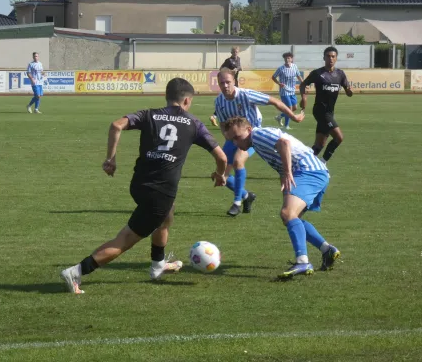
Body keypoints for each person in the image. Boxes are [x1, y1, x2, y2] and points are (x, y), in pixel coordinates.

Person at [60, 78, 227, 294]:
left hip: (139, 184)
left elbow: (116, 125)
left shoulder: (149, 114)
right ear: (187, 100)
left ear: (167, 97)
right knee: (127, 238)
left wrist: (111, 159)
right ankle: (77, 272)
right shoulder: (194, 123)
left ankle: (158, 266)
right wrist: (220, 174)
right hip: (161, 191)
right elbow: (222, 158)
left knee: (167, 215)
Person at [222, 117, 341, 279]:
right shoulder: (255, 141)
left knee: (288, 214)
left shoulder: (258, 135)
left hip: (308, 171)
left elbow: (284, 144)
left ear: (248, 130)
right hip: (311, 171)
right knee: (293, 218)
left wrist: (287, 172)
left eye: (237, 137)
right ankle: (327, 250)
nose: (235, 142)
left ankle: (303, 261)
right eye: (231, 139)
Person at [214, 68, 305, 217]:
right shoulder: (219, 101)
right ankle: (246, 196)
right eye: (221, 83)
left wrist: (293, 117)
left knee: (238, 161)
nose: (225, 86)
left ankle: (237, 203)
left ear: (234, 82)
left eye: (228, 82)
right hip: (233, 139)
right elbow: (223, 124)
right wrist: (227, 137)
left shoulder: (246, 95)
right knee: (220, 175)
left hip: (252, 137)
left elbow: (275, 102)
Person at [299, 46, 353, 162]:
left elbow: (348, 92)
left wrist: (349, 91)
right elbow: (303, 85)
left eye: (333, 56)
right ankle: (322, 164)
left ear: (336, 58)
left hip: (330, 112)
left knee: (319, 144)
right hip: (320, 111)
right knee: (339, 137)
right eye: (328, 56)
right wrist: (304, 98)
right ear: (324, 58)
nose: (331, 59)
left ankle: (302, 163)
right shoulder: (317, 73)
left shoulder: (340, 74)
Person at [210, 47, 243, 127]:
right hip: (230, 82)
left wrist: (237, 69)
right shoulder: (228, 60)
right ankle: (217, 116)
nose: (235, 53)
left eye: (236, 52)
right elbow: (221, 69)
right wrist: (230, 71)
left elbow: (240, 68)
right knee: (230, 100)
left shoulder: (238, 59)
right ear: (231, 52)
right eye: (234, 52)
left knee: (234, 100)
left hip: (235, 81)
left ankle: (216, 116)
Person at [272, 52, 304, 130]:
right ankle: (286, 126)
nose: (287, 59)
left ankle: (280, 116)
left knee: (294, 107)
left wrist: (304, 84)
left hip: (292, 90)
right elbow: (273, 77)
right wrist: (279, 83)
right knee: (289, 108)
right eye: (286, 58)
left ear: (291, 59)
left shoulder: (295, 67)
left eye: (289, 58)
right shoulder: (281, 69)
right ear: (284, 59)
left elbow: (299, 76)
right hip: (284, 91)